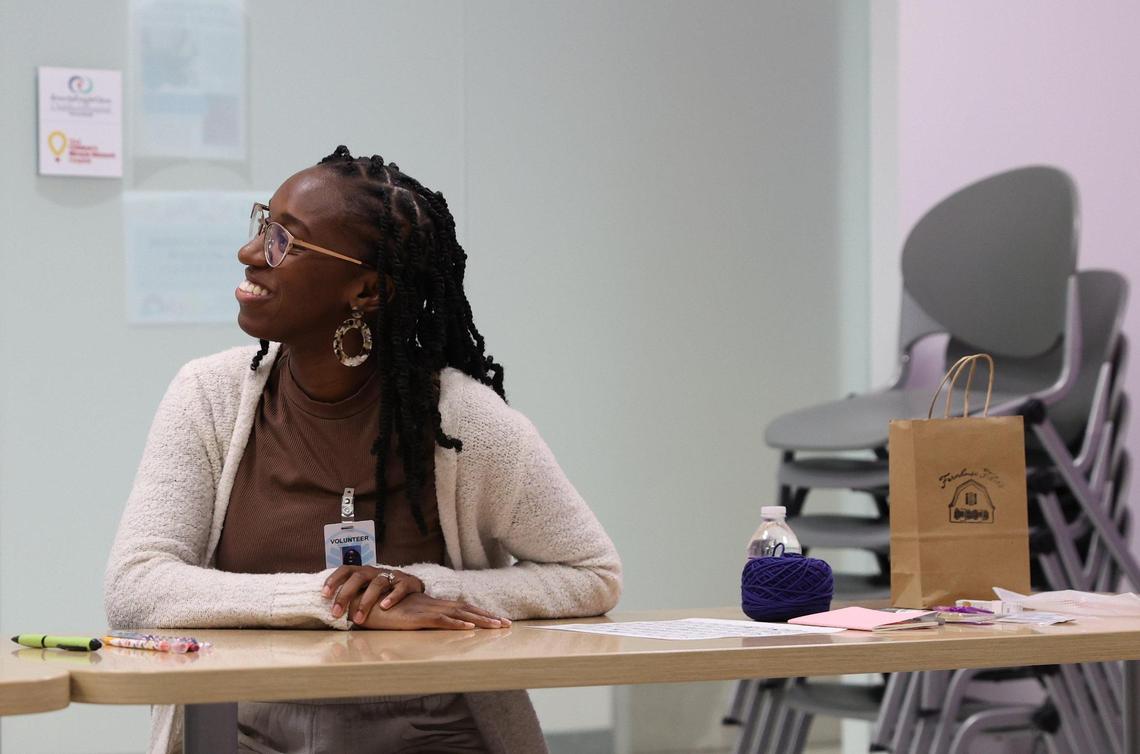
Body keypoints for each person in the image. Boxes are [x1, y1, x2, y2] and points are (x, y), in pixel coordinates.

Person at [104, 146, 622, 754]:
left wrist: (424, 588)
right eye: (261, 225)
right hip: (245, 724)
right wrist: (337, 600)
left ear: (368, 290)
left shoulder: (464, 421)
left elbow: (592, 574)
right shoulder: (207, 396)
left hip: (434, 728)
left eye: (283, 241)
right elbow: (136, 585)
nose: (250, 254)